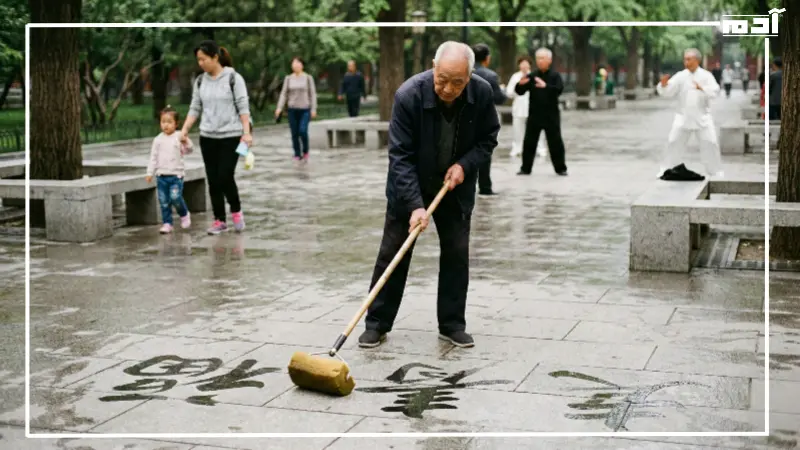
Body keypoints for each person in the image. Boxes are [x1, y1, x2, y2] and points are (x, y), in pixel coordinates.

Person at [357, 41, 500, 349]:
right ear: (433, 68)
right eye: (442, 79)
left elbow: (488, 138)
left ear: (470, 75)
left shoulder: (482, 93)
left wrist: (465, 164)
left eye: (457, 82)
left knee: (456, 254)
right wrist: (414, 206)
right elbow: (400, 155)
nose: (448, 88)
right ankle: (376, 322)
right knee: (394, 253)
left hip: (454, 186)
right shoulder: (408, 95)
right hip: (410, 185)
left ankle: (451, 323)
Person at [180, 40, 251, 235]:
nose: (200, 63)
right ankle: (219, 220)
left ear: (215, 57)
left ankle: (236, 211)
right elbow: (195, 107)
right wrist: (185, 129)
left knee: (225, 175)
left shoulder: (234, 78)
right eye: (198, 60)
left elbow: (243, 106)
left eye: (203, 59)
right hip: (208, 136)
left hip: (231, 135)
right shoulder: (201, 81)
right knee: (212, 179)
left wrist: (246, 132)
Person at [656, 48, 723, 179]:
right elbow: (669, 90)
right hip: (683, 116)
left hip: (702, 116)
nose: (686, 62)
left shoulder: (706, 76)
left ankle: (714, 171)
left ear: (697, 60)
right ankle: (667, 169)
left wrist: (702, 88)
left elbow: (715, 91)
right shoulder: (681, 76)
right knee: (673, 142)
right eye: (685, 59)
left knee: (711, 143)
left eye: (689, 59)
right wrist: (663, 85)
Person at [514, 47, 568, 176]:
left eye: (543, 58)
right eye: (538, 58)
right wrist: (520, 84)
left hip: (551, 115)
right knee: (529, 142)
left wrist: (546, 86)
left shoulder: (555, 76)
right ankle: (525, 168)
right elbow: (520, 91)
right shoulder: (532, 76)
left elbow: (559, 90)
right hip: (534, 114)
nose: (540, 61)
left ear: (549, 60)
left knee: (555, 142)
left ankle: (560, 168)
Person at [147, 106, 193, 234]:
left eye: (169, 122)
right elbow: (153, 157)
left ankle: (184, 214)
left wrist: (186, 141)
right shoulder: (157, 140)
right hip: (161, 176)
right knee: (163, 201)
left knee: (175, 197)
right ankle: (167, 223)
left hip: (176, 176)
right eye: (163, 122)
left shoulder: (178, 136)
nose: (166, 125)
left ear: (176, 123)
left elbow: (189, 150)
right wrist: (150, 172)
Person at [471, 43, 507, 196]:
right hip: (484, 118)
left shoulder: (464, 72)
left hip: (464, 117)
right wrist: (503, 90)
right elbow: (499, 99)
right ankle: (485, 186)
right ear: (487, 58)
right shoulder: (490, 76)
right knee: (484, 151)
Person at [275, 56, 318, 163]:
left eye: (297, 63)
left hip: (305, 109)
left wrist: (313, 109)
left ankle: (305, 151)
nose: (295, 65)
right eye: (293, 63)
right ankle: (297, 154)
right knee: (294, 133)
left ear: (302, 65)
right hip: (292, 109)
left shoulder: (308, 78)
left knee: (302, 131)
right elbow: (284, 94)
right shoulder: (288, 78)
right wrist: (279, 108)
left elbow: (312, 94)